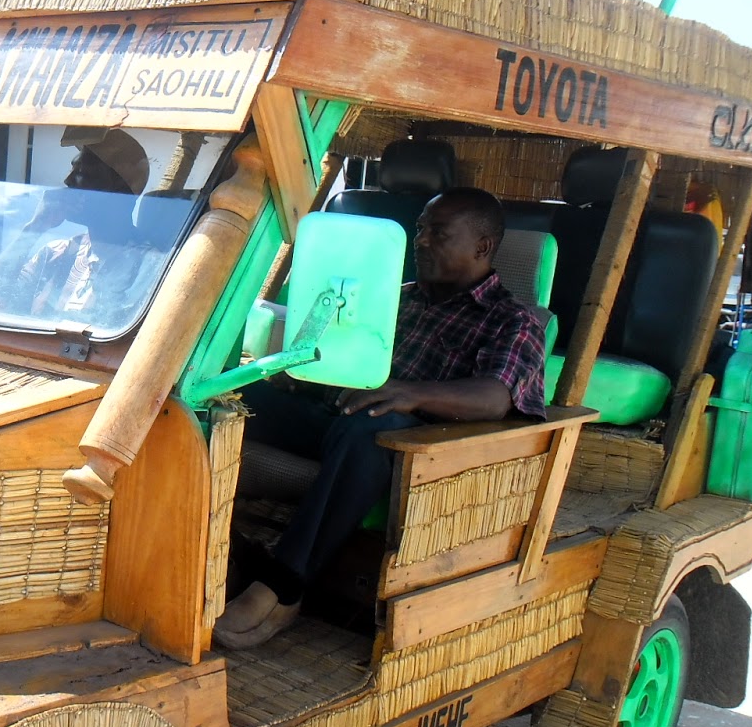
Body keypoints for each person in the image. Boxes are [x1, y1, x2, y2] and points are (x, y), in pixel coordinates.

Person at [214, 187, 546, 650]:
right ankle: (224, 548)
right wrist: (300, 375)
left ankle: (282, 587)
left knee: (371, 426)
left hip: (418, 448)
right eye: (420, 229)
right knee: (233, 393)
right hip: (339, 419)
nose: (421, 241)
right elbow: (340, 362)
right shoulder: (395, 298)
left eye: (438, 233)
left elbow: (494, 397)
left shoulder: (512, 320)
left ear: (482, 247)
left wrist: (410, 394)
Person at [0, 128, 150, 314]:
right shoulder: (57, 253)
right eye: (72, 169)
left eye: (82, 173)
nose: (68, 180)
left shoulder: (146, 265)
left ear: (116, 191)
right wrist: (35, 227)